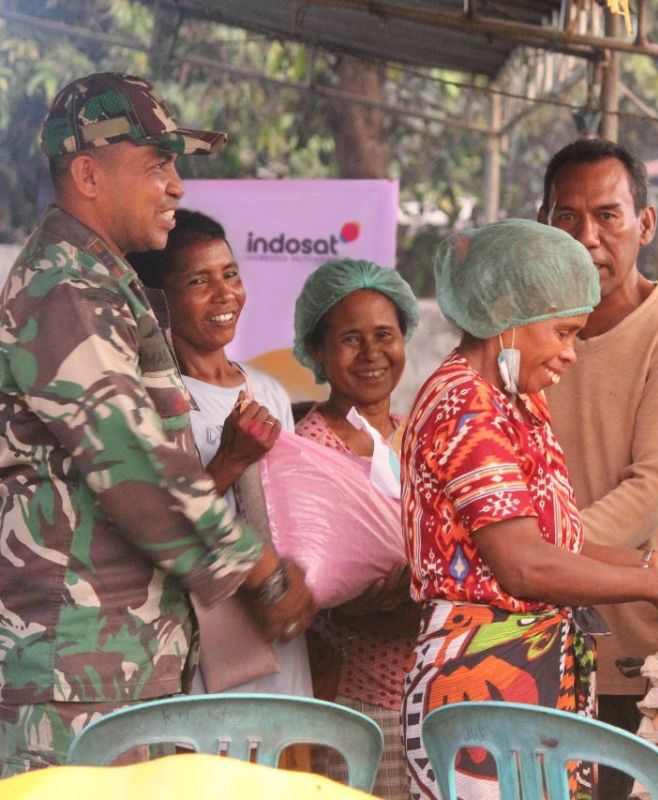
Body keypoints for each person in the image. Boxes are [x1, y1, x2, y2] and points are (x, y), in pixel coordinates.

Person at [0, 72, 315, 776]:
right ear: (87, 173)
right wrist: (259, 569)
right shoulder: (67, 289)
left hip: (113, 667)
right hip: (72, 676)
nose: (176, 185)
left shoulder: (102, 285)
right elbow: (136, 463)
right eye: (156, 165)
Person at [400, 219, 658, 800]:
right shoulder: (466, 408)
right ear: (507, 318)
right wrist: (647, 589)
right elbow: (524, 566)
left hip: (534, 678)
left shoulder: (517, 399)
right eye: (564, 333)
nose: (571, 355)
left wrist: (649, 566)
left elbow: (554, 544)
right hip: (484, 684)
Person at [537, 137, 658, 797]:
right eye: (566, 217)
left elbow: (650, 495)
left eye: (607, 216)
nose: (587, 236)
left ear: (644, 224)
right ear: (542, 225)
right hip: (547, 647)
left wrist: (534, 557)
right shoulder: (527, 335)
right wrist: (532, 565)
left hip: (657, 655)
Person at [126, 208, 312, 700]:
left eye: (230, 274)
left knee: (283, 760)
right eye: (198, 281)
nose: (224, 293)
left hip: (275, 617)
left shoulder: (268, 391)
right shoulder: (154, 399)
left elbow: (287, 512)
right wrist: (230, 459)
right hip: (204, 631)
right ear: (159, 301)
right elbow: (157, 527)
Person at [292, 257, 422, 800]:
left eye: (384, 335)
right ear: (317, 352)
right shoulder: (304, 450)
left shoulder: (419, 436)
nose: (372, 354)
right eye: (350, 338)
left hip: (430, 694)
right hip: (356, 701)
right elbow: (307, 586)